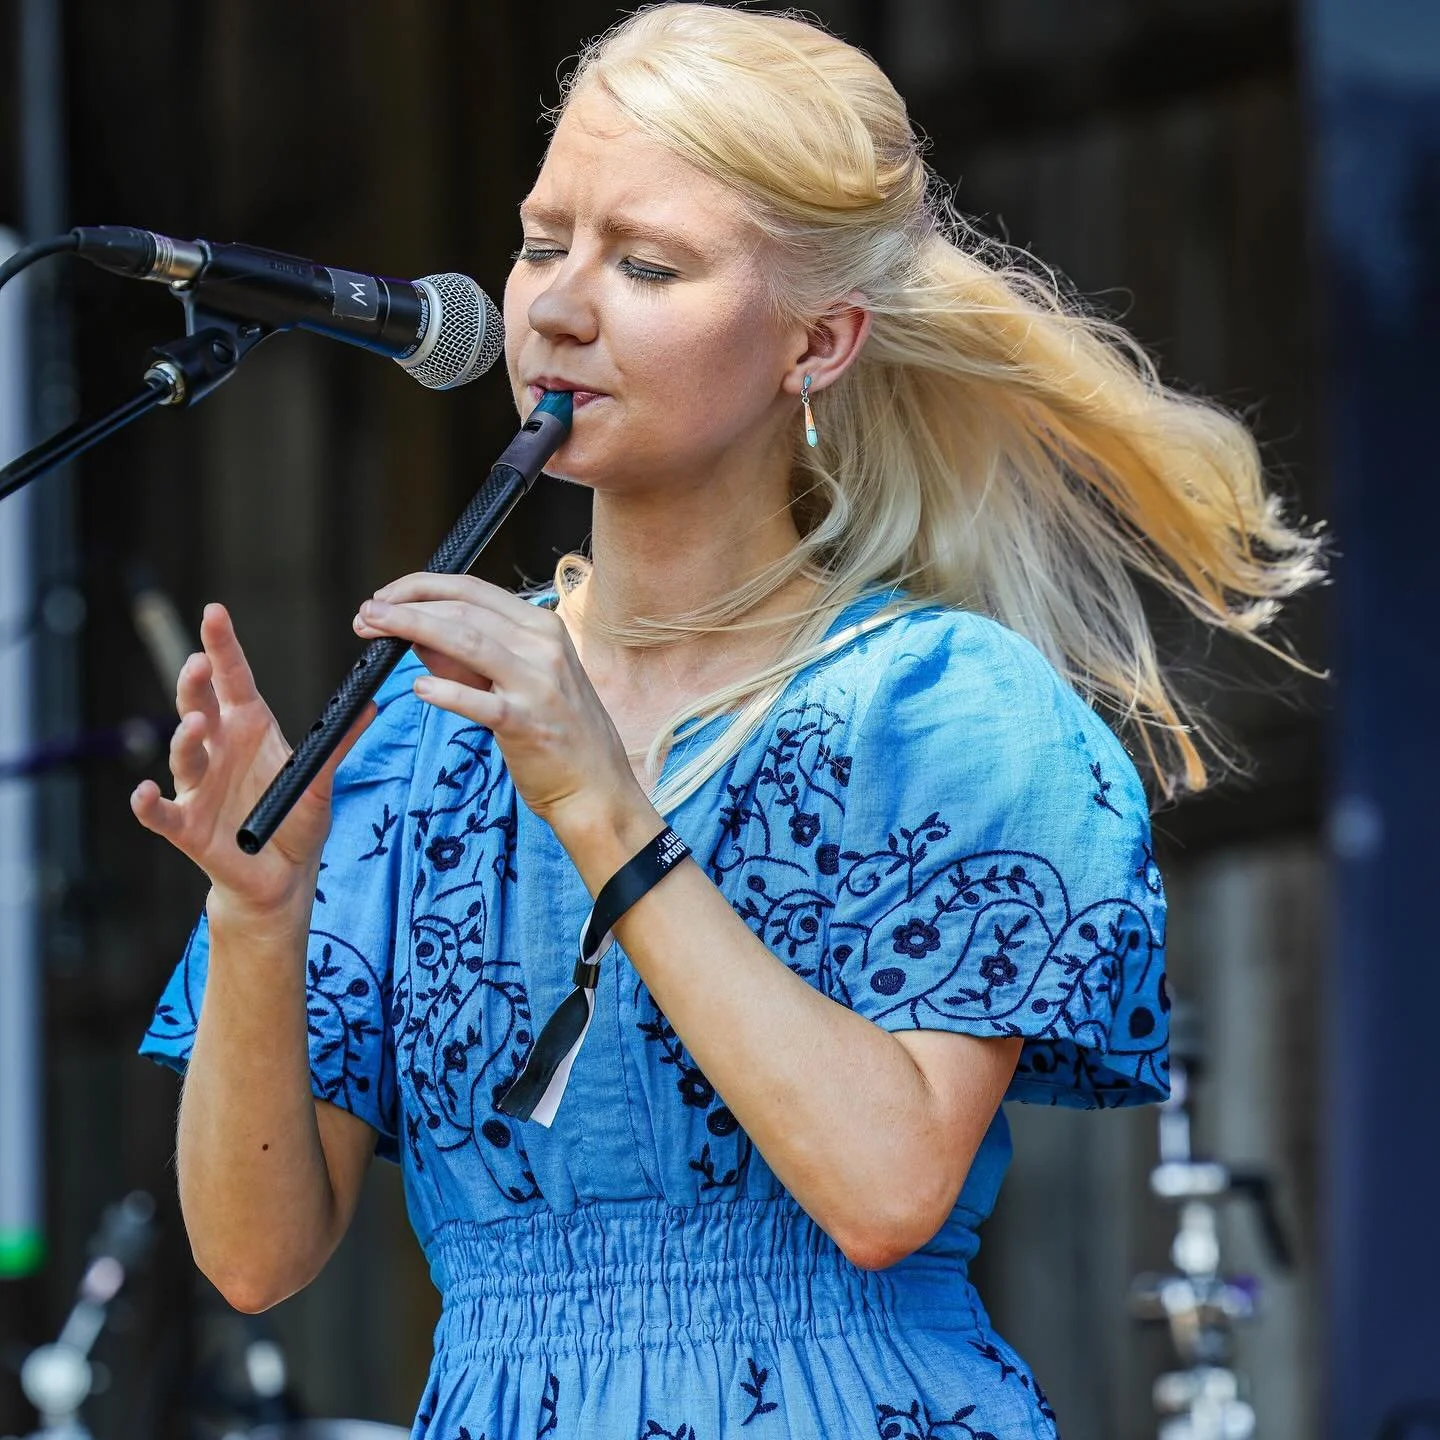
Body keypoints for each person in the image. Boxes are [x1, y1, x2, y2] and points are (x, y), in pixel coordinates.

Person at [134, 6, 1324, 1437]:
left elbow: (888, 1195)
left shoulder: (947, 713)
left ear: (817, 342)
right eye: (538, 243)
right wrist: (262, 915)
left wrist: (599, 797)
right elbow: (255, 1260)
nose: (558, 306)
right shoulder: (416, 731)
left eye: (646, 264)